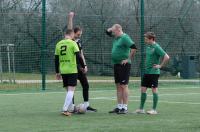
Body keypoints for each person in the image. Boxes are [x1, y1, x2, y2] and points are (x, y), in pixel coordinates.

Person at [67, 12, 97, 112]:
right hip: (72, 67)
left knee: (85, 84)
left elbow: (81, 53)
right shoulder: (70, 40)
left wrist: (85, 65)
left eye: (80, 34)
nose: (79, 36)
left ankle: (86, 105)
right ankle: (72, 107)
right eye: (78, 34)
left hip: (80, 66)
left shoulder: (79, 41)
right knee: (72, 87)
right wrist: (70, 18)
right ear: (73, 33)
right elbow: (70, 28)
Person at [135, 32, 170, 115]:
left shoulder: (156, 47)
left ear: (151, 39)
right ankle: (141, 109)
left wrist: (160, 66)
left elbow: (166, 57)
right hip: (147, 72)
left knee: (154, 89)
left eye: (146, 39)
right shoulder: (148, 47)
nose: (145, 41)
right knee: (143, 89)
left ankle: (154, 110)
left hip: (154, 72)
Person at [106, 24, 137, 114]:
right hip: (116, 64)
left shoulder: (125, 37)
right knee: (118, 86)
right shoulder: (117, 37)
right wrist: (110, 29)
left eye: (114, 31)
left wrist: (128, 59)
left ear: (118, 30)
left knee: (124, 86)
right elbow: (107, 33)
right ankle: (119, 107)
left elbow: (134, 48)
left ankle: (125, 107)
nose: (113, 33)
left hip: (124, 65)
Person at [55, 29, 85, 116]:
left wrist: (57, 72)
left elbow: (56, 59)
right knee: (71, 90)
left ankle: (71, 108)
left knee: (68, 90)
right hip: (72, 69)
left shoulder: (58, 44)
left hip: (63, 70)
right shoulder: (73, 43)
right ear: (71, 34)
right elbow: (79, 56)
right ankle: (64, 109)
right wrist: (83, 66)